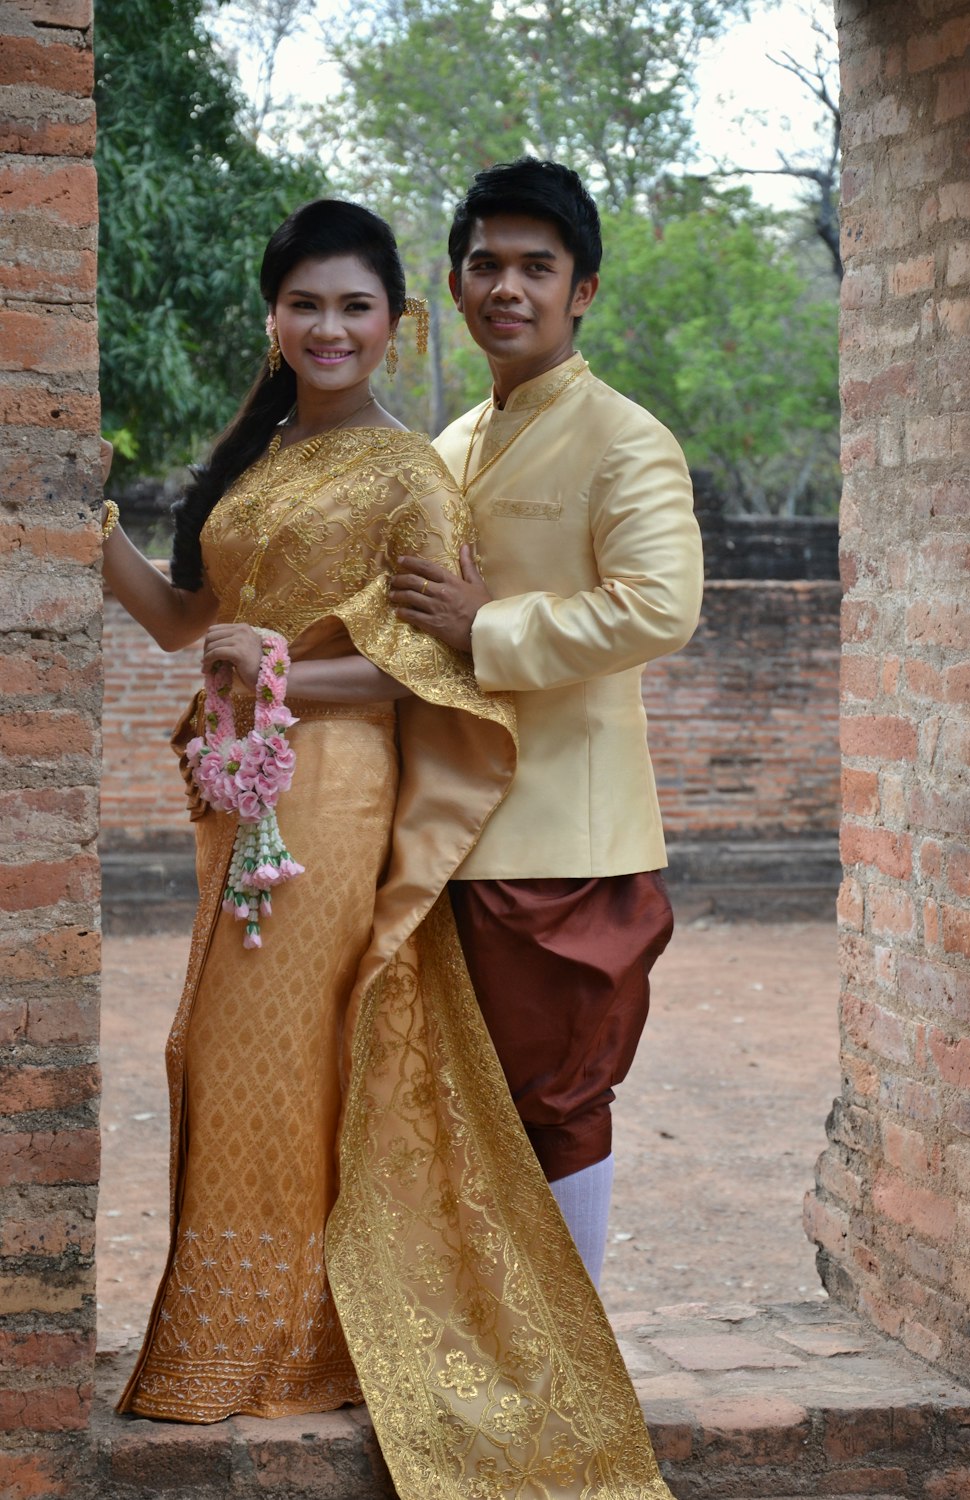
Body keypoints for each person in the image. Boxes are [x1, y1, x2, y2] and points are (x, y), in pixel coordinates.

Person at [102, 197, 679, 1497]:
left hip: (332, 789)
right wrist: (80, 526)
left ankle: (275, 1346)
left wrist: (276, 684)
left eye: (356, 305)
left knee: (273, 1051)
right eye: (306, 302)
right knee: (214, 1042)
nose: (329, 326)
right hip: (235, 781)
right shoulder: (253, 460)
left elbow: (433, 676)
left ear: (395, 322)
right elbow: (188, 618)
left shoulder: (409, 469)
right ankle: (258, 1329)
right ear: (273, 317)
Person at [390, 158, 704, 1290]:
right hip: (438, 827)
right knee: (448, 1100)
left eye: (536, 267)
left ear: (584, 293)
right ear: (457, 283)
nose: (506, 288)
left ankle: (571, 1356)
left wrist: (489, 627)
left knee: (558, 1099)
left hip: (562, 835)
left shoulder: (624, 437)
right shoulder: (450, 442)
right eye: (486, 265)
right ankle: (483, 1339)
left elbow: (661, 606)